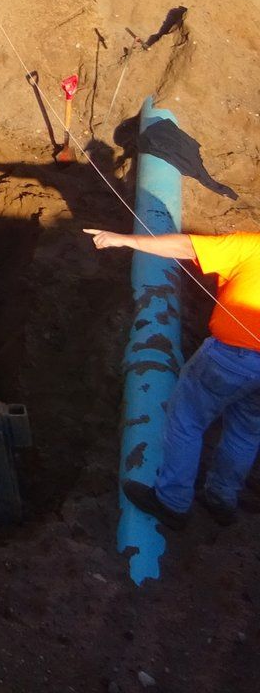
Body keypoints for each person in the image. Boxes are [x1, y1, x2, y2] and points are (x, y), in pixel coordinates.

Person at [86, 226, 260, 529]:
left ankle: (172, 502)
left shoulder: (250, 246)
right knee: (245, 431)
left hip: (232, 357)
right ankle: (222, 497)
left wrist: (125, 239)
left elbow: (187, 247)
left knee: (186, 421)